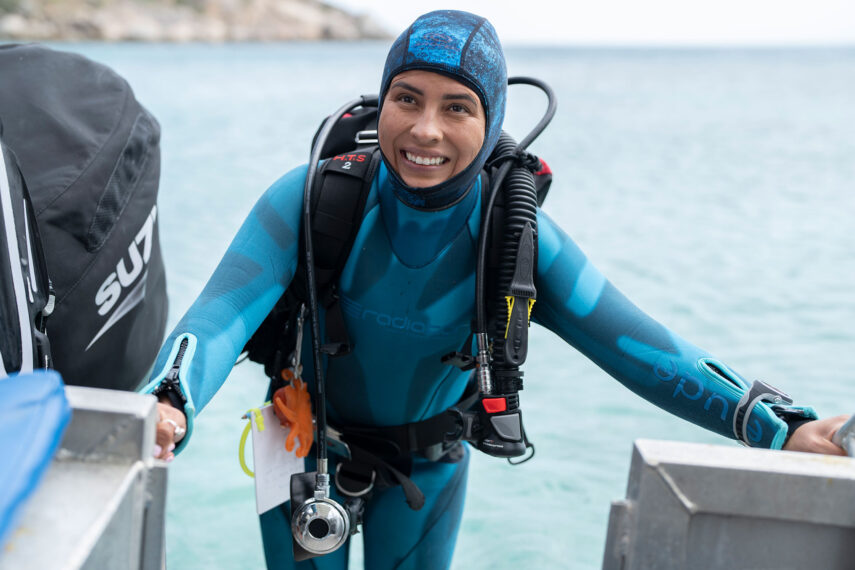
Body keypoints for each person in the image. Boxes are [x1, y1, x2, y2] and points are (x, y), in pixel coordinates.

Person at [143, 10, 848, 569]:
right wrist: (169, 401)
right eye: (406, 99)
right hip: (303, 451)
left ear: (488, 126)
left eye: (457, 108)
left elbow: (638, 347)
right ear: (379, 102)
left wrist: (776, 426)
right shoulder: (310, 202)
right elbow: (220, 317)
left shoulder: (515, 239)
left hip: (431, 465)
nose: (425, 129)